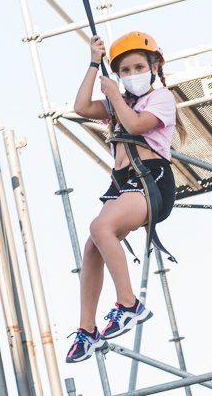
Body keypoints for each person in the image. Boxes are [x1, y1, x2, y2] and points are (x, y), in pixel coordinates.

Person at [66, 31, 186, 363]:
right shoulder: (121, 103)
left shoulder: (160, 99)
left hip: (151, 180)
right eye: (125, 71)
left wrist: (115, 97)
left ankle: (128, 303)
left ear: (154, 66)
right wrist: (93, 64)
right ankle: (87, 329)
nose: (131, 76)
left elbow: (134, 126)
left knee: (100, 227)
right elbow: (80, 106)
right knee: (93, 243)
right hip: (123, 183)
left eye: (137, 68)